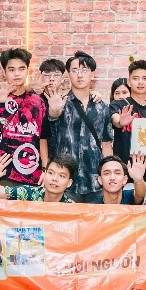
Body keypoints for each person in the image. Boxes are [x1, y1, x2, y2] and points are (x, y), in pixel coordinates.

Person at [46, 51, 113, 199]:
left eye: (84, 70)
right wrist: (54, 110)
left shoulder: (102, 107)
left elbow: (106, 144)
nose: (80, 75)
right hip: (65, 181)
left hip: (95, 181)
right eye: (75, 70)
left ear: (92, 74)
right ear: (68, 74)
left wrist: (108, 173)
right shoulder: (60, 103)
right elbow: (51, 121)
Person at [0, 48, 50, 188]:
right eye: (11, 69)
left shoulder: (38, 101)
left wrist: (45, 169)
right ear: (4, 72)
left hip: (33, 174)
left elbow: (43, 138)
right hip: (1, 173)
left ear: (27, 70)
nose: (17, 73)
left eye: (21, 69)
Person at [109, 59, 146, 162]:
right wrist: (120, 122)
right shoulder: (118, 104)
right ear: (129, 82)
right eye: (135, 78)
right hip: (123, 167)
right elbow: (115, 119)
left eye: (145, 78)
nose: (140, 82)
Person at [0, 151, 78, 202]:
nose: (54, 179)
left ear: (69, 183)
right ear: (44, 174)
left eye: (61, 176)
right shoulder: (27, 193)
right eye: (50, 173)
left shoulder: (71, 208)